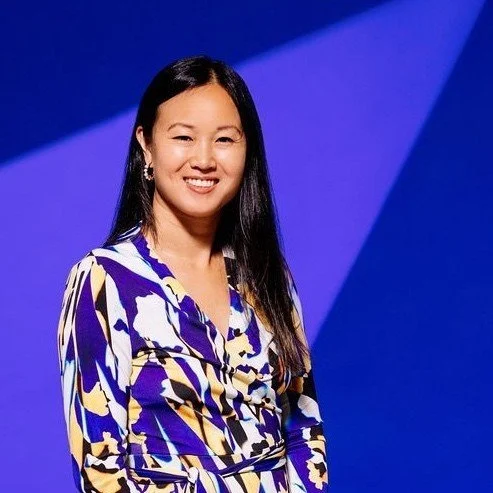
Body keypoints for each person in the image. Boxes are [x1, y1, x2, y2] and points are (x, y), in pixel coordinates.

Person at [57, 54, 328, 492]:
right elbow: (98, 468)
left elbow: (303, 429)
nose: (204, 159)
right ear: (146, 145)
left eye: (224, 140)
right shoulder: (104, 280)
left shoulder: (268, 275)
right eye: (184, 137)